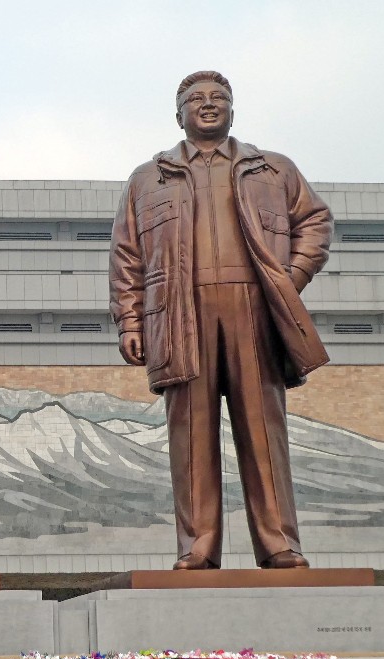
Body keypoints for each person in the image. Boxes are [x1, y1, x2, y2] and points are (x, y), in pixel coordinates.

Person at [109, 70, 332, 570]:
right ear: (179, 113)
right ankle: (198, 546)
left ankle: (279, 543)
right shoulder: (150, 177)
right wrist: (130, 321)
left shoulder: (272, 169)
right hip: (180, 313)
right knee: (190, 435)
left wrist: (289, 277)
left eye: (219, 98)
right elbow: (127, 255)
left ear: (233, 108)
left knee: (263, 431)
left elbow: (315, 220)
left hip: (254, 309)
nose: (208, 105)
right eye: (196, 99)